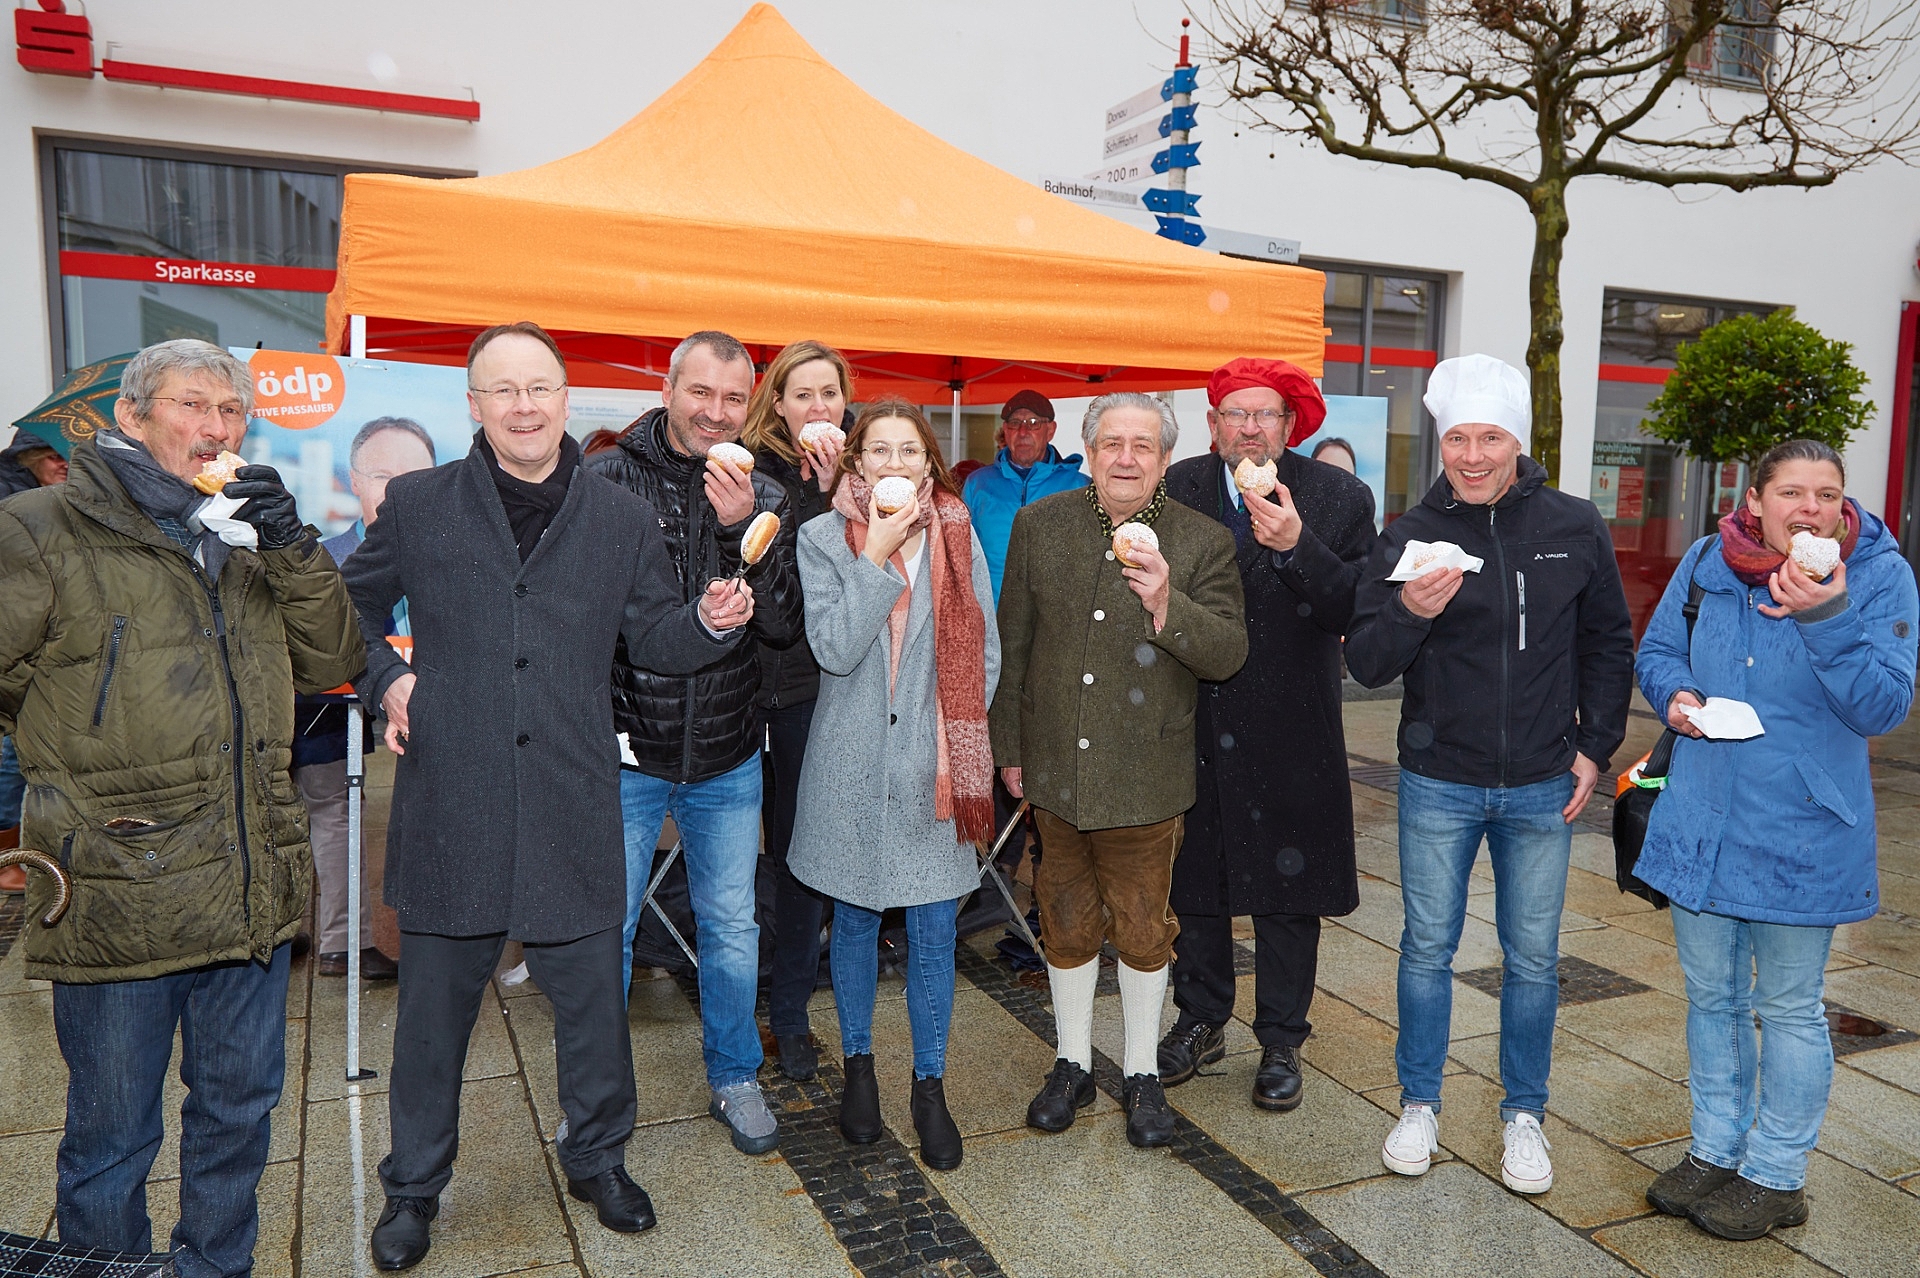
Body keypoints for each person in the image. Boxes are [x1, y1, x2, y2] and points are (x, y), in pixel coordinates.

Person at [345, 323, 753, 1269]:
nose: (525, 406)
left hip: (573, 795)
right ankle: (413, 1186)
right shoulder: (420, 504)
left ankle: (598, 1159)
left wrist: (709, 622)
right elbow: (344, 607)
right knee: (433, 1017)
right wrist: (383, 681)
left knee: (592, 1008)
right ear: (475, 406)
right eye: (504, 390)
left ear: (568, 398)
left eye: (540, 388)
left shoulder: (616, 518)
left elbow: (654, 636)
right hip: (455, 795)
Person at [0, 338, 364, 1277]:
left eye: (231, 412)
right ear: (131, 417)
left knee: (237, 1121)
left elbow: (331, 662)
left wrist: (289, 544)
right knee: (112, 1139)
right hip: (120, 888)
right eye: (191, 406)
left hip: (249, 878)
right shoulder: (43, 528)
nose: (214, 429)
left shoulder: (244, 535)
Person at [1346, 353, 1634, 1197]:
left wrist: (1595, 746)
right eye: (1459, 438)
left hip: (1546, 781)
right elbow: (1365, 661)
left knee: (1534, 958)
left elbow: (1607, 643)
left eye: (1491, 437)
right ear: (1442, 440)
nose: (1472, 455)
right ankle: (1419, 1103)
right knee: (1427, 948)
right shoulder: (1406, 534)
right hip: (1439, 778)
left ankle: (1524, 1115)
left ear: (1519, 440)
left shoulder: (1574, 525)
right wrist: (1409, 610)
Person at [1634, 440, 1916, 1241]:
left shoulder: (1879, 575)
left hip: (1804, 828)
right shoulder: (1704, 560)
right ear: (1753, 501)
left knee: (1789, 1009)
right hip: (1702, 821)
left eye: (1827, 494)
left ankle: (1777, 1173)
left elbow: (1883, 706)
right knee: (1711, 998)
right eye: (1791, 492)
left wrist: (1825, 613)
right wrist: (1678, 695)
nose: (1812, 509)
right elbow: (1657, 652)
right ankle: (1716, 1149)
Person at [992, 391, 1247, 1149]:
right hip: (1058, 772)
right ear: (1089, 451)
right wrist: (1010, 747)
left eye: (1143, 445)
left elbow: (1228, 654)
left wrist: (1169, 602)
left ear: (1166, 458)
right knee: (1064, 922)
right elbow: (1016, 645)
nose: (1126, 458)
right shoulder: (1042, 525)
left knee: (1143, 928)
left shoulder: (1202, 542)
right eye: (1112, 443)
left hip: (1147, 775)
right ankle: (1070, 1061)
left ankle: (1139, 1071)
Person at [590, 330, 801, 1157]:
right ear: (668, 387)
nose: (715, 413)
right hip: (625, 746)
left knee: (731, 923)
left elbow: (785, 625)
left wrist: (745, 525)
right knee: (604, 926)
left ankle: (735, 1075)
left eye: (731, 399)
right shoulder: (606, 478)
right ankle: (600, 1095)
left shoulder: (765, 490)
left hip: (726, 749)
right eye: (700, 393)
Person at [1160, 359, 1377, 1112]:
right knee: (1199, 882)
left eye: (1266, 415)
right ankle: (1200, 1017)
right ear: (1214, 423)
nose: (1250, 428)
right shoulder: (1178, 487)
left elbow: (1356, 606)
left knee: (1291, 888)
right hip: (1195, 715)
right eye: (1235, 413)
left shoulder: (1338, 497)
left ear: (1291, 427)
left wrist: (1296, 546)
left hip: (1292, 721)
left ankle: (1282, 1035)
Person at [788, 400, 999, 1170]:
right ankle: (859, 1069)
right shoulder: (820, 538)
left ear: (928, 463)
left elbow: (987, 656)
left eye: (910, 451)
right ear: (855, 465)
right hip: (847, 771)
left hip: (932, 773)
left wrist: (951, 744)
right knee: (851, 923)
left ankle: (930, 1085)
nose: (895, 465)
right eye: (879, 450)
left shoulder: (957, 532)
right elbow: (836, 649)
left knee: (935, 932)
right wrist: (873, 553)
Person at [291, 417, 438, 981]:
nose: (398, 490)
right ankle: (342, 943)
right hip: (320, 723)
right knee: (333, 813)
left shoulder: (456, 564)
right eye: (383, 475)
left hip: (418, 726)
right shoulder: (320, 562)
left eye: (415, 476)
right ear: (352, 480)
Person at [740, 339, 852, 1082]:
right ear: (777, 403)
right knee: (731, 862)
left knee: (800, 859)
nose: (819, 407)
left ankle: (789, 1014)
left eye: (830, 394)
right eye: (803, 394)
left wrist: (844, 485)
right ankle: (738, 1005)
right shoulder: (748, 472)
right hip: (744, 688)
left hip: (816, 692)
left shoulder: (864, 477)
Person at [962, 389, 1089, 606]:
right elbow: (960, 555)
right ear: (1005, 430)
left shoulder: (1080, 487)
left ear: (1051, 430)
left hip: (1053, 621)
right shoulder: (977, 484)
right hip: (991, 617)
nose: (1023, 431)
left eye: (1033, 423)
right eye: (1014, 422)